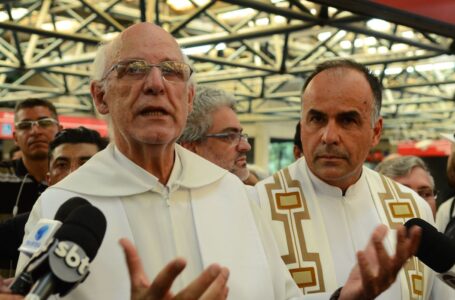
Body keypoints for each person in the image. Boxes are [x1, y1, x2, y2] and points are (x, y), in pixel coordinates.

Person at [18, 23, 423, 300]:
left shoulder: (233, 195)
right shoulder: (62, 206)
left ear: (188, 99)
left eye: (173, 72)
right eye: (134, 69)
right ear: (100, 97)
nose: (156, 84)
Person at [255, 59, 435, 299]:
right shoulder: (257, 206)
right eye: (317, 119)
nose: (329, 136)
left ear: (376, 131)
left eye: (347, 120)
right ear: (302, 125)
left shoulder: (414, 209)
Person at [0, 127, 107, 280]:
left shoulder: (128, 219)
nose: (73, 173)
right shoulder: (27, 225)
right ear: (49, 180)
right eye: (62, 165)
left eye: (86, 165)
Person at [0, 98, 61, 277]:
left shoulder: (74, 180)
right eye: (25, 125)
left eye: (44, 123)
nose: (35, 131)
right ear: (15, 138)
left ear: (60, 130)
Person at [178, 86, 251, 182]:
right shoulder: (176, 195)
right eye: (229, 136)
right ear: (190, 148)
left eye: (241, 135)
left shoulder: (246, 193)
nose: (246, 146)